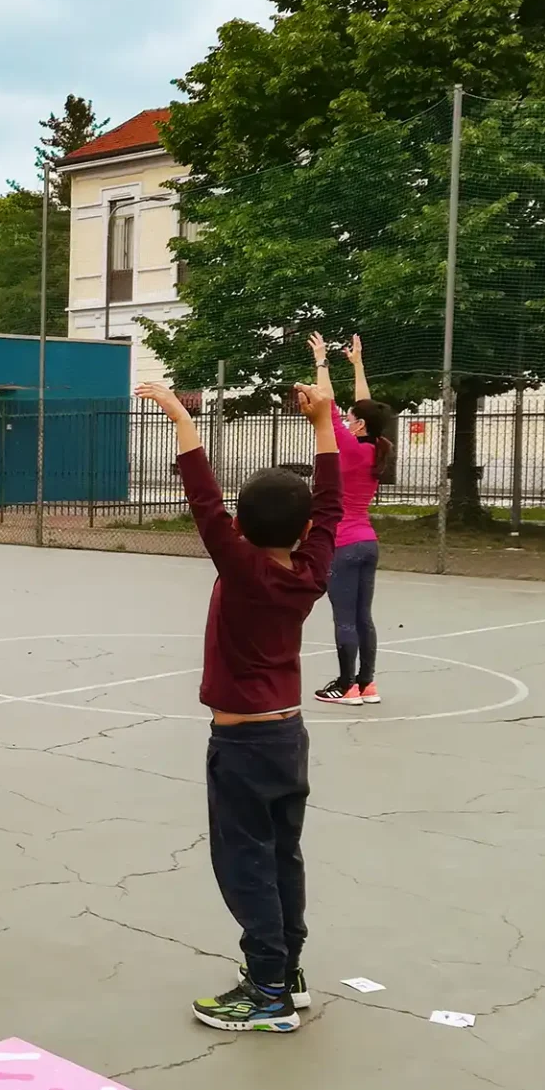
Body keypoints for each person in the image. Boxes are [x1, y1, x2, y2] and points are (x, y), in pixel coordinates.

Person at [136, 377, 340, 1033]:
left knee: (245, 862)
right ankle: (289, 971)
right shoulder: (308, 571)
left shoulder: (244, 569)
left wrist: (177, 414)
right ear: (304, 527)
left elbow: (202, 496)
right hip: (288, 737)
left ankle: (269, 993)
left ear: (242, 529)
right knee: (283, 856)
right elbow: (331, 503)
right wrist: (321, 424)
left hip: (245, 745)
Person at [309, 333, 396, 706]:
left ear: (358, 425)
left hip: (343, 543)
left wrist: (322, 361)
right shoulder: (379, 446)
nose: (346, 417)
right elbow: (367, 406)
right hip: (368, 542)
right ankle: (367, 683)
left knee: (344, 618)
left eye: (351, 418)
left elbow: (325, 402)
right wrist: (358, 364)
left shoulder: (346, 446)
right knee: (364, 617)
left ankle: (346, 685)